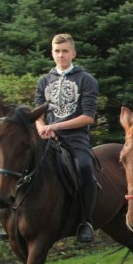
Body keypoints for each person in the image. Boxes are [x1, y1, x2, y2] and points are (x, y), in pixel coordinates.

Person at [35, 33, 99, 243]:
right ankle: (17, 218)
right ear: (51, 53)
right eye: (57, 51)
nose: (60, 55)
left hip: (75, 138)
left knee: (84, 167)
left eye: (64, 51)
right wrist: (44, 127)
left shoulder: (86, 79)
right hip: (48, 139)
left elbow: (88, 117)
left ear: (73, 53)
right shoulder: (43, 81)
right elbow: (37, 115)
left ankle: (86, 221)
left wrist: (56, 125)